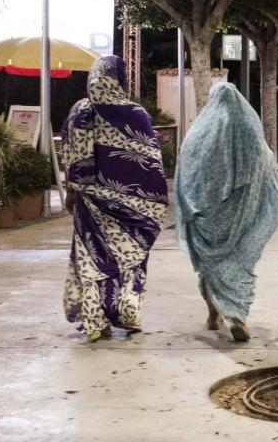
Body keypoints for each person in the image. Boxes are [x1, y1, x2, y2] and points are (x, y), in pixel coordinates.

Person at [62, 55, 168, 342]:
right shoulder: (136, 114)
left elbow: (72, 156)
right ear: (120, 79)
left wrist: (72, 191)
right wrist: (153, 203)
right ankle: (128, 312)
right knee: (131, 257)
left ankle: (94, 321)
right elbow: (149, 161)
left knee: (92, 259)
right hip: (133, 205)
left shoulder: (79, 111)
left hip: (90, 202)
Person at [174, 83, 278, 342]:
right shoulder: (249, 131)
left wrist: (191, 207)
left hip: (207, 218)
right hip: (241, 220)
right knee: (238, 265)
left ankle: (214, 315)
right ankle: (237, 315)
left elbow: (184, 171)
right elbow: (266, 165)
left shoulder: (199, 134)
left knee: (209, 267)